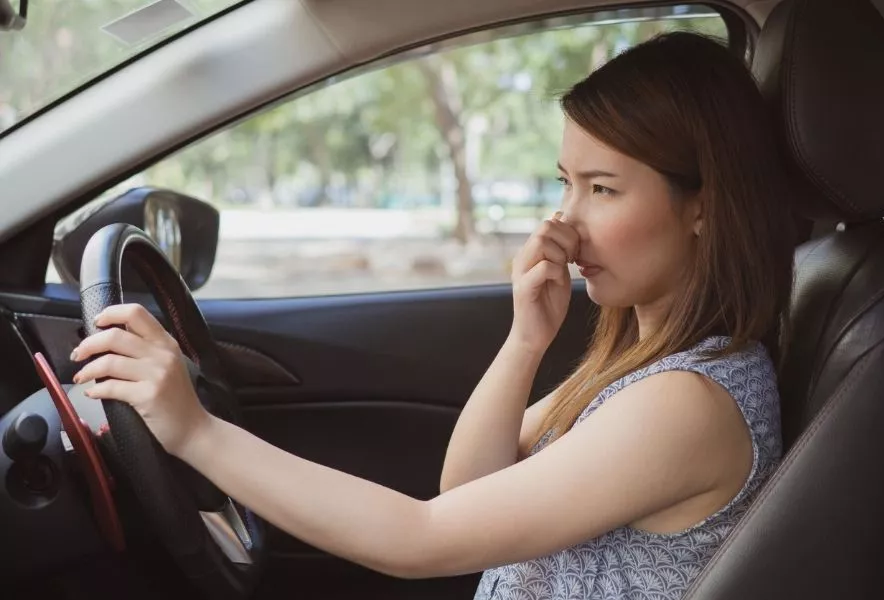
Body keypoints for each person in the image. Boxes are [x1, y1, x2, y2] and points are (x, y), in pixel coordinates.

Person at [69, 32, 795, 600]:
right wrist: (525, 340)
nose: (564, 224)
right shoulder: (641, 364)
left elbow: (420, 537)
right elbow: (467, 491)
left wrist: (195, 430)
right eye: (565, 184)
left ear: (702, 204)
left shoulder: (686, 404)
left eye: (602, 189)